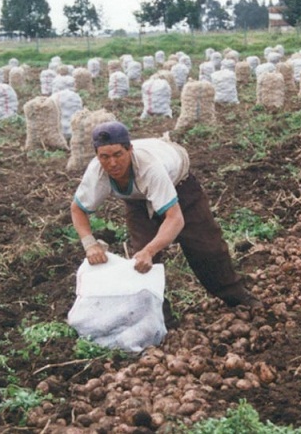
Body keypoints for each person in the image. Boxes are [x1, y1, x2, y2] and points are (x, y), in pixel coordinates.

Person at [70, 121, 263, 317]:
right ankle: (159, 316)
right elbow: (78, 210)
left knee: (206, 247)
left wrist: (151, 249)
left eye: (118, 155)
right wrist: (89, 244)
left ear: (130, 149)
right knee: (142, 261)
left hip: (180, 185)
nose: (112, 163)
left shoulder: (150, 168)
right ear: (97, 155)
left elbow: (175, 219)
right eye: (104, 157)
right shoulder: (97, 172)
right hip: (137, 200)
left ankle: (235, 295)